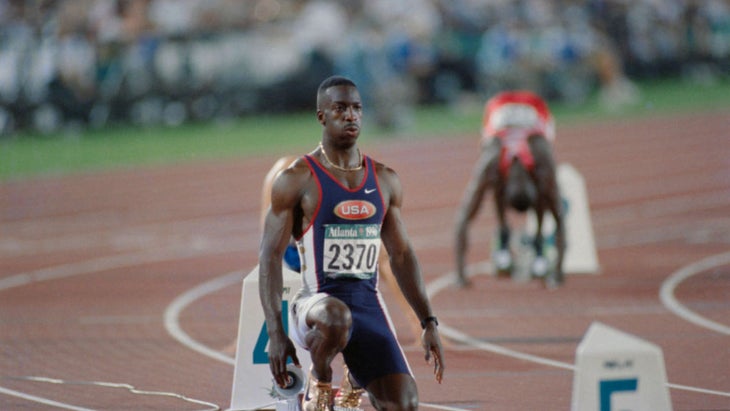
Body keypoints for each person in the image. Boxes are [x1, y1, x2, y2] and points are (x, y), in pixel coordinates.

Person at [259, 75, 444, 411]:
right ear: (321, 117)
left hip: (367, 307)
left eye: (357, 108)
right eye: (340, 108)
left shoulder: (385, 179)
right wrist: (275, 332)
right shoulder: (297, 179)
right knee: (336, 315)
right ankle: (321, 384)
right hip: (315, 307)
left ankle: (354, 384)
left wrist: (427, 321)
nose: (351, 116)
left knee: (405, 404)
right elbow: (269, 257)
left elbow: (401, 254)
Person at [454, 90, 565, 288]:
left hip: (534, 108)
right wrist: (557, 274)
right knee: (539, 188)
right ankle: (504, 232)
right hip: (500, 108)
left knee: (545, 189)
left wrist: (558, 272)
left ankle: (538, 242)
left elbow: (463, 219)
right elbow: (559, 218)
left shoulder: (541, 156)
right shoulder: (492, 160)